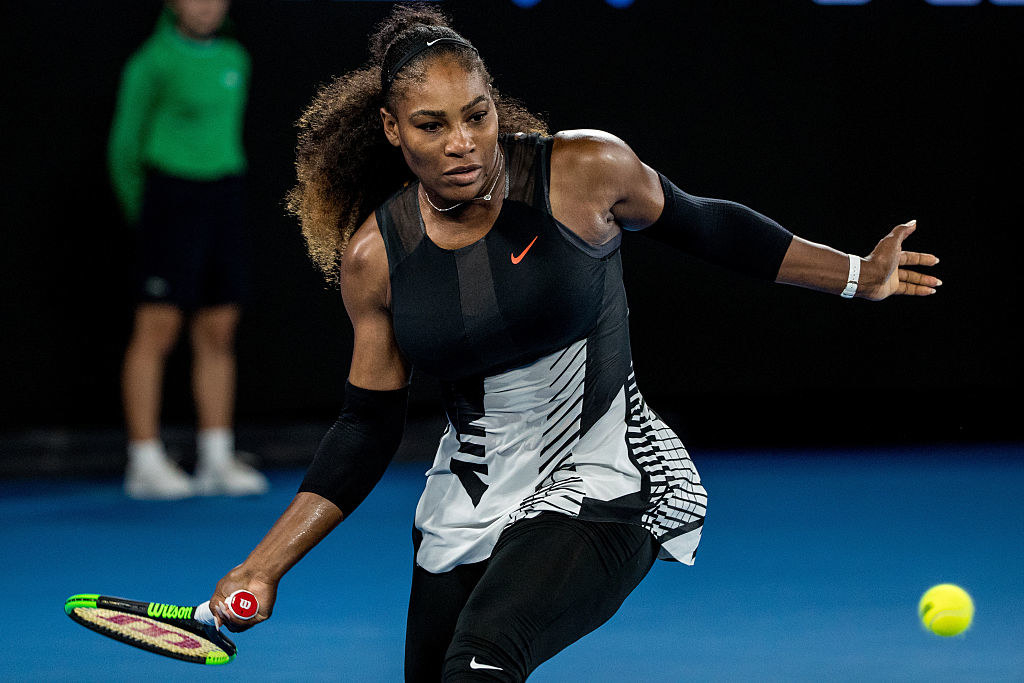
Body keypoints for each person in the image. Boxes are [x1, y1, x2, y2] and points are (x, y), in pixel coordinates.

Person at [208, 5, 940, 680]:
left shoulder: (584, 173)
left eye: (477, 115)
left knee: (481, 663)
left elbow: (706, 224)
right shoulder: (376, 259)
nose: (463, 142)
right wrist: (264, 564)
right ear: (393, 129)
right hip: (468, 495)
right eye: (432, 126)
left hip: (609, 473)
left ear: (496, 103)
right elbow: (367, 425)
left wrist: (856, 276)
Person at [109, 0, 267, 499]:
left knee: (219, 328)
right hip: (169, 199)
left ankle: (217, 457)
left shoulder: (236, 59)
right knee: (158, 327)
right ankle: (145, 459)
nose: (206, 5)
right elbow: (123, 149)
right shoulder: (152, 61)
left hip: (223, 197)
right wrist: (149, 215)